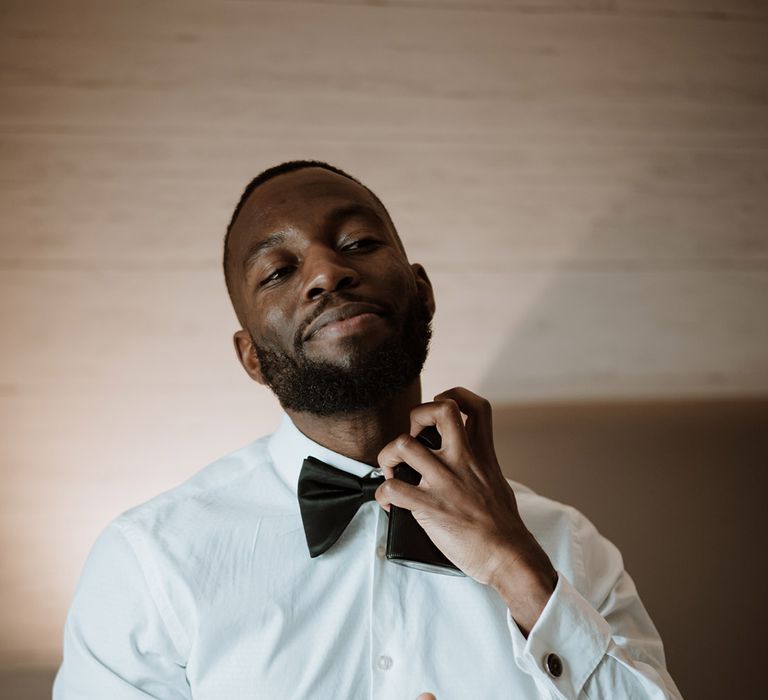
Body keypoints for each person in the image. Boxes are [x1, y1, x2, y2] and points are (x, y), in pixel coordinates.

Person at [54, 160, 682, 699]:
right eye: (278, 270)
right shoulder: (151, 561)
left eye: (357, 242)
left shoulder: (568, 547)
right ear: (250, 357)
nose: (328, 273)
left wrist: (515, 565)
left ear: (422, 292)